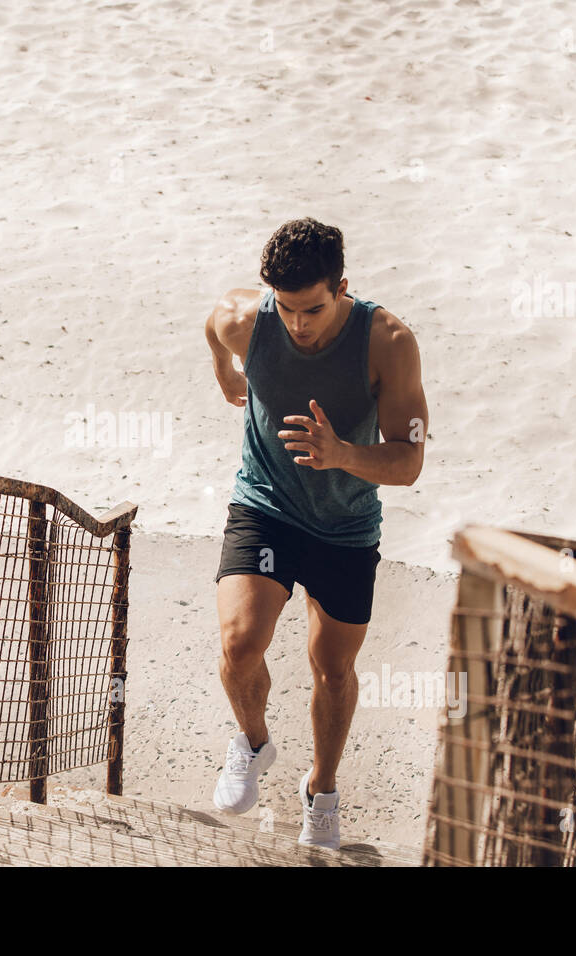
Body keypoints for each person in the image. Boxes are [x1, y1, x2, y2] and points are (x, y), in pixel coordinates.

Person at [202, 217, 429, 849]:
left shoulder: (388, 342)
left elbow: (408, 462)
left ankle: (320, 789)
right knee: (241, 642)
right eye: (286, 308)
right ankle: (251, 742)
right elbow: (215, 334)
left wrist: (341, 455)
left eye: (314, 309)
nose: (299, 324)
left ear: (343, 287)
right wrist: (230, 380)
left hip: (346, 524)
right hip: (266, 503)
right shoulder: (244, 319)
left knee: (332, 668)